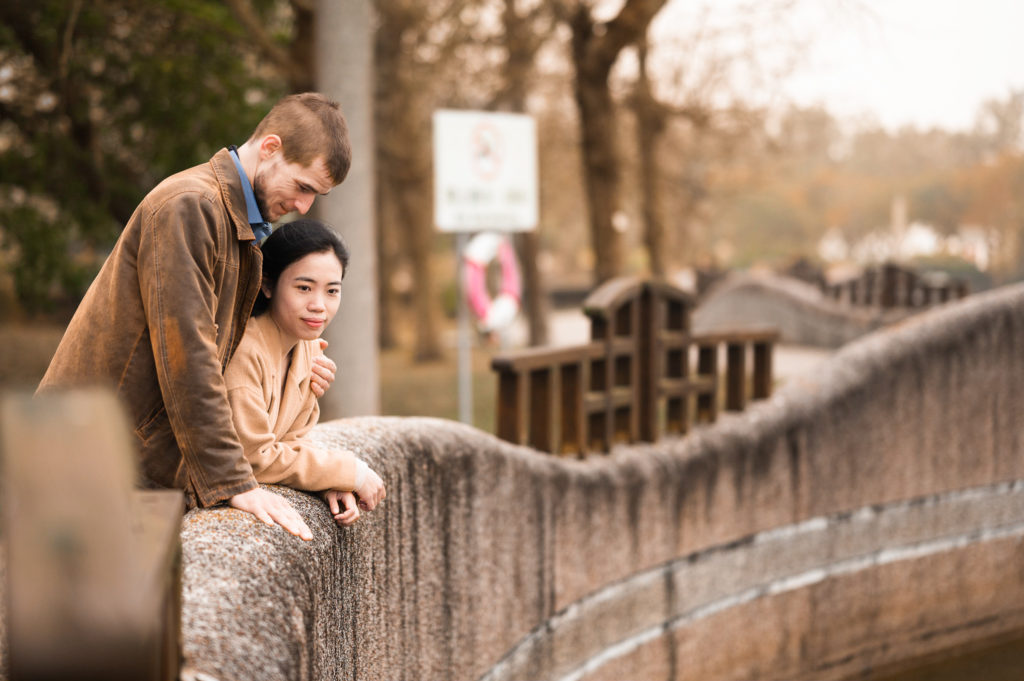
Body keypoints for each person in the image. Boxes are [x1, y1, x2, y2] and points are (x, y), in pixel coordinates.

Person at [37, 92, 351, 540]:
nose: (304, 207)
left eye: (316, 196)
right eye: (303, 187)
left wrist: (296, 366)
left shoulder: (237, 225)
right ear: (270, 149)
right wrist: (234, 482)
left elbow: (230, 351)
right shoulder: (191, 205)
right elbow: (188, 351)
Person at [224, 220, 385, 526]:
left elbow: (294, 440)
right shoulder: (244, 350)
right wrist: (350, 470)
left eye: (332, 291)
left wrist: (328, 482)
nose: (318, 306)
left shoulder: (307, 349)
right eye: (303, 288)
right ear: (268, 284)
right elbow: (253, 458)